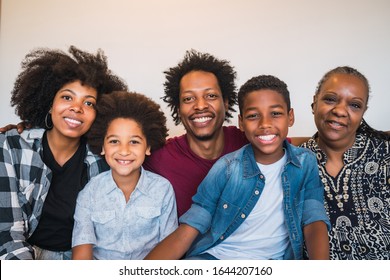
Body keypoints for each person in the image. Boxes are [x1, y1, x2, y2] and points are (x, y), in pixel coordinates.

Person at [145, 75, 330, 260]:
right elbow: (192, 224)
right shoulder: (227, 167)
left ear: (290, 117)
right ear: (241, 122)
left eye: (275, 114)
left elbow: (314, 220)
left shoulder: (305, 163)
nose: (265, 124)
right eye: (253, 116)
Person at [0, 46, 127, 260]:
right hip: (24, 254)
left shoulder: (103, 158)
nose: (77, 108)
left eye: (89, 103)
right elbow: (6, 234)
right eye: (67, 98)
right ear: (50, 104)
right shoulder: (12, 146)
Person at [71, 91, 177, 260]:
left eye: (134, 142)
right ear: (102, 146)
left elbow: (169, 247)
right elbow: (81, 253)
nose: (124, 151)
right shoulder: (90, 192)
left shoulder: (162, 189)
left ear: (148, 147)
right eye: (114, 141)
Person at [143, 50, 248, 217]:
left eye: (211, 96)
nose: (200, 106)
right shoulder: (158, 158)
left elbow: (288, 150)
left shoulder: (249, 143)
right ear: (178, 109)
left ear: (226, 103)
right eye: (188, 98)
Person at [300, 66, 390, 260]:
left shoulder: (385, 155)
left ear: (363, 112)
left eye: (354, 105)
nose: (340, 111)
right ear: (314, 102)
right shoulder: (294, 163)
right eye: (330, 99)